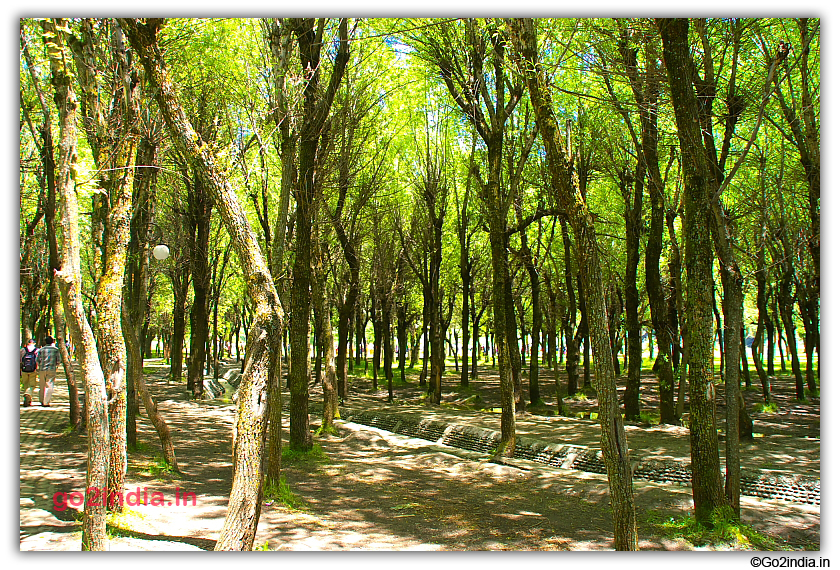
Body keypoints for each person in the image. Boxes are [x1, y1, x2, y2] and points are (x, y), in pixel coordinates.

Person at [36, 335, 60, 407]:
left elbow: (37, 360)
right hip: (51, 369)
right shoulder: (56, 350)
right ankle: (46, 402)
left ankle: (41, 400)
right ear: (52, 342)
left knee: (42, 385)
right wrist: (56, 365)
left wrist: (39, 366)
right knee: (49, 385)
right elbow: (58, 360)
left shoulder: (41, 350)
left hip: (42, 369)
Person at [20, 339, 38, 407]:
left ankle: (27, 399)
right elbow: (38, 360)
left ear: (28, 343)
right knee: (32, 385)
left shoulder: (22, 350)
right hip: (33, 370)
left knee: (25, 384)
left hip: (24, 369)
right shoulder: (37, 350)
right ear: (34, 343)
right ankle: (28, 394)